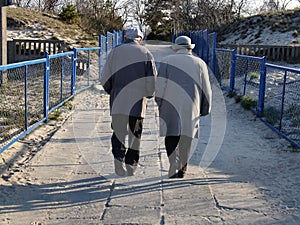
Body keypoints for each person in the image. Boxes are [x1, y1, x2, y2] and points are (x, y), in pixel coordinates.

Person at [100, 27, 157, 176]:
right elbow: (152, 81)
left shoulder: (114, 52)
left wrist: (112, 91)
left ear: (125, 37)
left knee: (118, 133)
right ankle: (131, 164)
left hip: (118, 102)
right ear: (139, 39)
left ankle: (118, 162)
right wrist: (148, 94)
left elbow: (105, 77)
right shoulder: (146, 53)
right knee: (135, 135)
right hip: (137, 104)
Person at [155, 35, 212, 178]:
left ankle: (173, 163)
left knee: (171, 135)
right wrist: (205, 108)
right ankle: (182, 168)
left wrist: (159, 102)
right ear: (189, 48)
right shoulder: (200, 63)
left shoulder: (167, 61)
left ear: (176, 48)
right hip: (192, 104)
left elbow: (160, 85)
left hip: (169, 104)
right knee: (186, 137)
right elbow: (206, 89)